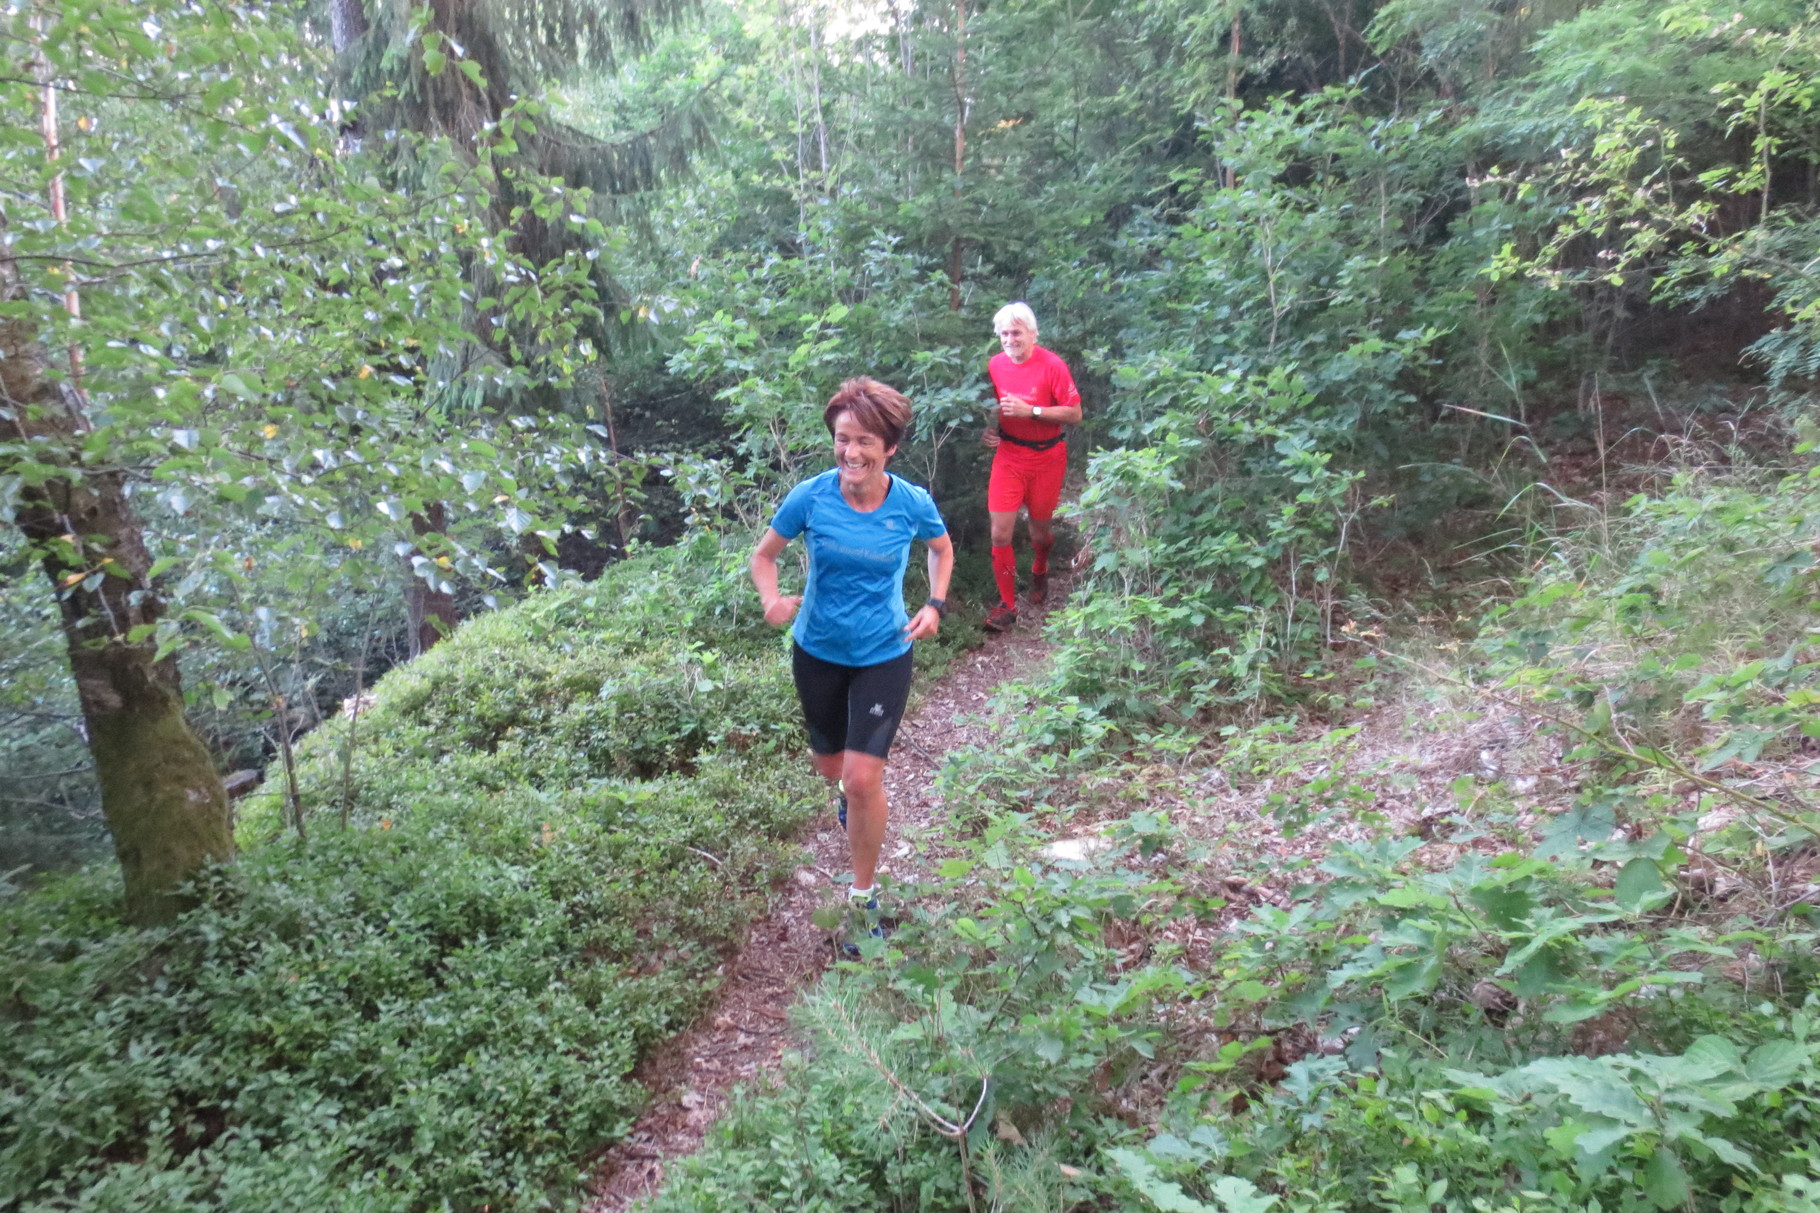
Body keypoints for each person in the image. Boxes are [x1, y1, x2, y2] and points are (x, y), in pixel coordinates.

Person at [750, 377, 954, 921]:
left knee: (865, 779)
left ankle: (863, 896)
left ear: (889, 446)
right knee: (831, 768)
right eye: (843, 439)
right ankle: (846, 795)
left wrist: (934, 604)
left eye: (865, 440)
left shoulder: (911, 503)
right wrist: (771, 599)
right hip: (816, 650)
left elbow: (941, 549)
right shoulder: (811, 496)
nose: (852, 452)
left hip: (884, 651)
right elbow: (764, 556)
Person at [982, 301, 1082, 632]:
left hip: (1047, 457)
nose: (1010, 339)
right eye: (1004, 334)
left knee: (1039, 532)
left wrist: (1033, 412)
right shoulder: (995, 365)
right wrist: (990, 430)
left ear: (1032, 333)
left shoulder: (1052, 366)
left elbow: (1074, 414)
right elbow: (995, 408)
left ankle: (1040, 567)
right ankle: (1007, 605)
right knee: (1000, 532)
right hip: (1009, 456)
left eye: (1017, 332)